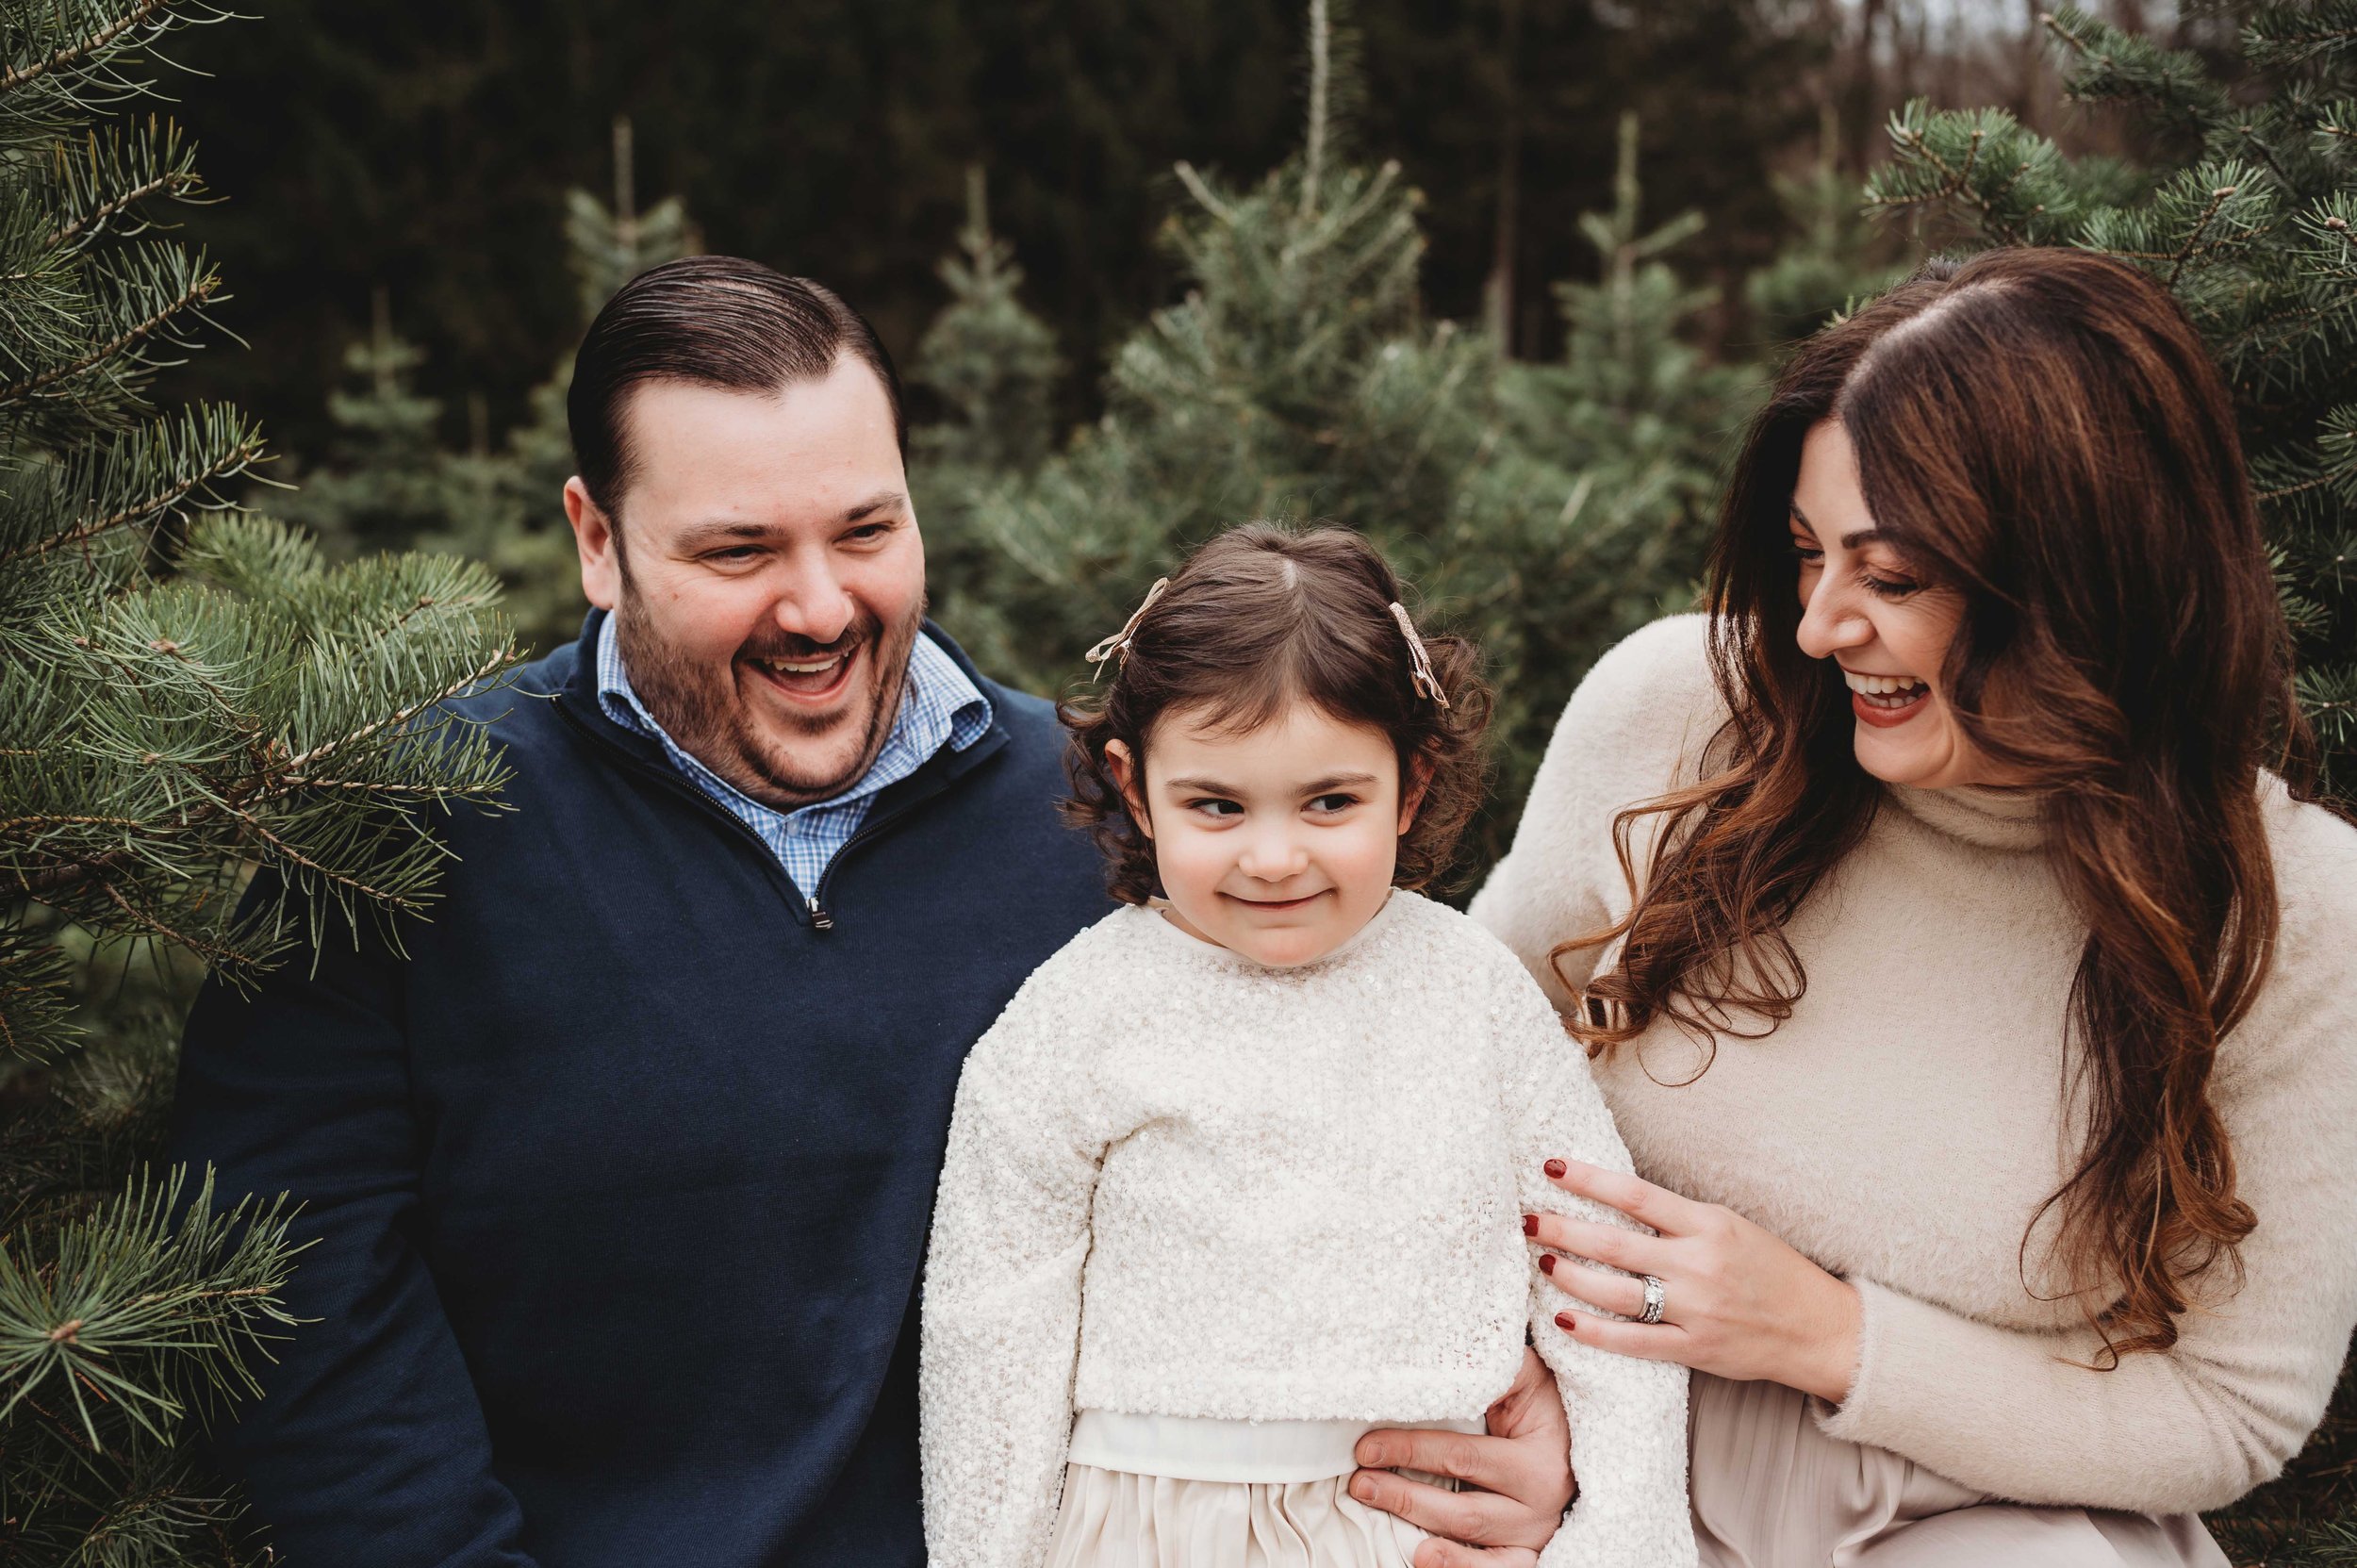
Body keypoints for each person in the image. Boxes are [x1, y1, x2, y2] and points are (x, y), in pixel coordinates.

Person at [168, 257, 1572, 1566]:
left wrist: (1536, 1430)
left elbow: (1353, 1153)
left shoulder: (1116, 829)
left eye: (866, 528)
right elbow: (302, 1299)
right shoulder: (399, 834)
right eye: (738, 551)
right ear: (598, 541)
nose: (821, 605)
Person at [1474, 248, 2357, 1565]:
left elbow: (2228, 1404)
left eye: (1891, 578)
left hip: (1985, 1522)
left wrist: (1825, 1330)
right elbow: (1439, 1071)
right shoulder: (1678, 716)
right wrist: (1520, 1397)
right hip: (1591, 1460)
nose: (1822, 624)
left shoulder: (2300, 917)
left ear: (2080, 583)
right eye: (1804, 554)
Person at [919, 525, 1696, 1568]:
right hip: (1149, 1533)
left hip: (1417, 1525)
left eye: (1329, 801)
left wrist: (1622, 1542)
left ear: (1410, 786)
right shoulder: (1075, 1017)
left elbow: (1593, 1267)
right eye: (1216, 805)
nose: (1274, 856)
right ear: (1135, 785)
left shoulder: (1470, 994)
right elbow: (991, 1327)